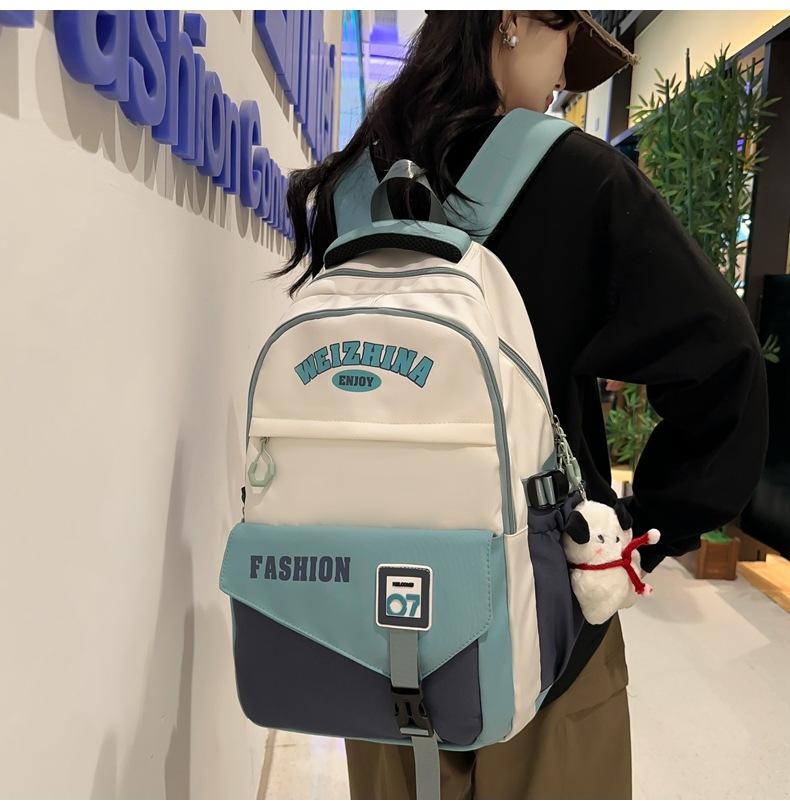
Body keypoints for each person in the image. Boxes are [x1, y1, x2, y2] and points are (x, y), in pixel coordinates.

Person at [272, 10, 769, 800]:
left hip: (369, 615)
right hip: (544, 615)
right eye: (567, 45)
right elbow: (723, 358)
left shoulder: (349, 188)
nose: (565, 78)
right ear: (512, 19)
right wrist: (646, 527)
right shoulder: (580, 179)